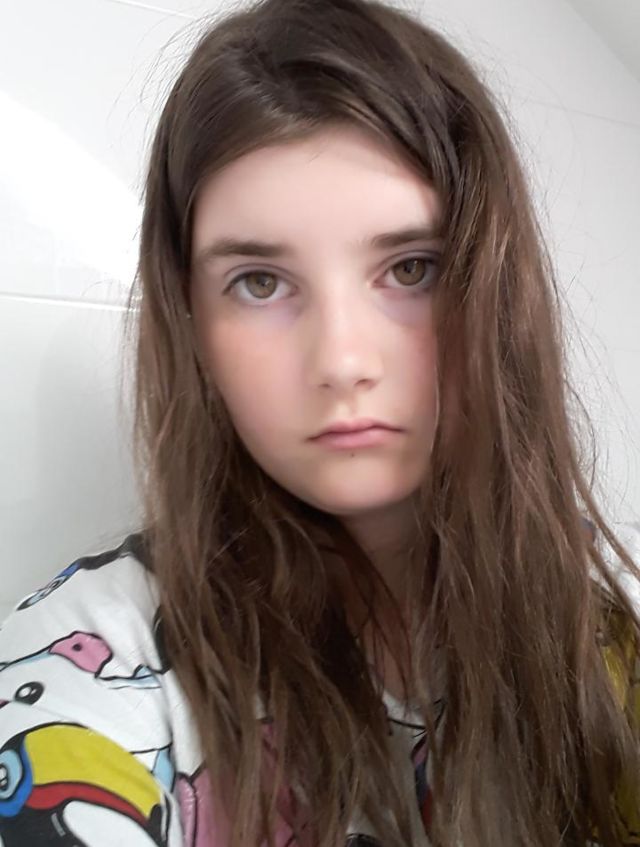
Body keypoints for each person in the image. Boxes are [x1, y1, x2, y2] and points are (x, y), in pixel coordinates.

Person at [1, 0, 639, 844]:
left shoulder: (600, 632)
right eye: (260, 283)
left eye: (411, 268)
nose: (341, 360)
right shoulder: (85, 677)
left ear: (494, 289)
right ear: (192, 323)